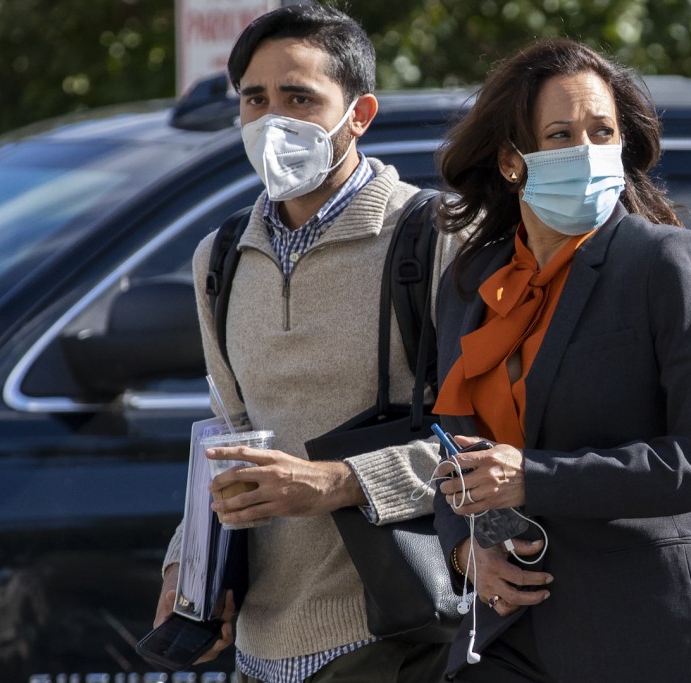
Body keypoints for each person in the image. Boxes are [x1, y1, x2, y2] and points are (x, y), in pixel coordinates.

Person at [428, 38, 691, 683]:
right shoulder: (473, 280)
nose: (586, 153)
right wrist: (464, 549)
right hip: (511, 631)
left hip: (657, 633)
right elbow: (454, 449)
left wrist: (535, 477)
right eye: (560, 135)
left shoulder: (662, 261)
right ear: (512, 161)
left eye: (602, 131)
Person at [153, 4, 456, 682]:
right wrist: (187, 564)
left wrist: (336, 482)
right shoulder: (221, 257)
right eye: (255, 100)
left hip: (391, 633)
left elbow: (488, 442)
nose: (272, 123)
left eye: (299, 98)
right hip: (259, 644)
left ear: (360, 113)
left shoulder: (434, 239)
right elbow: (229, 435)